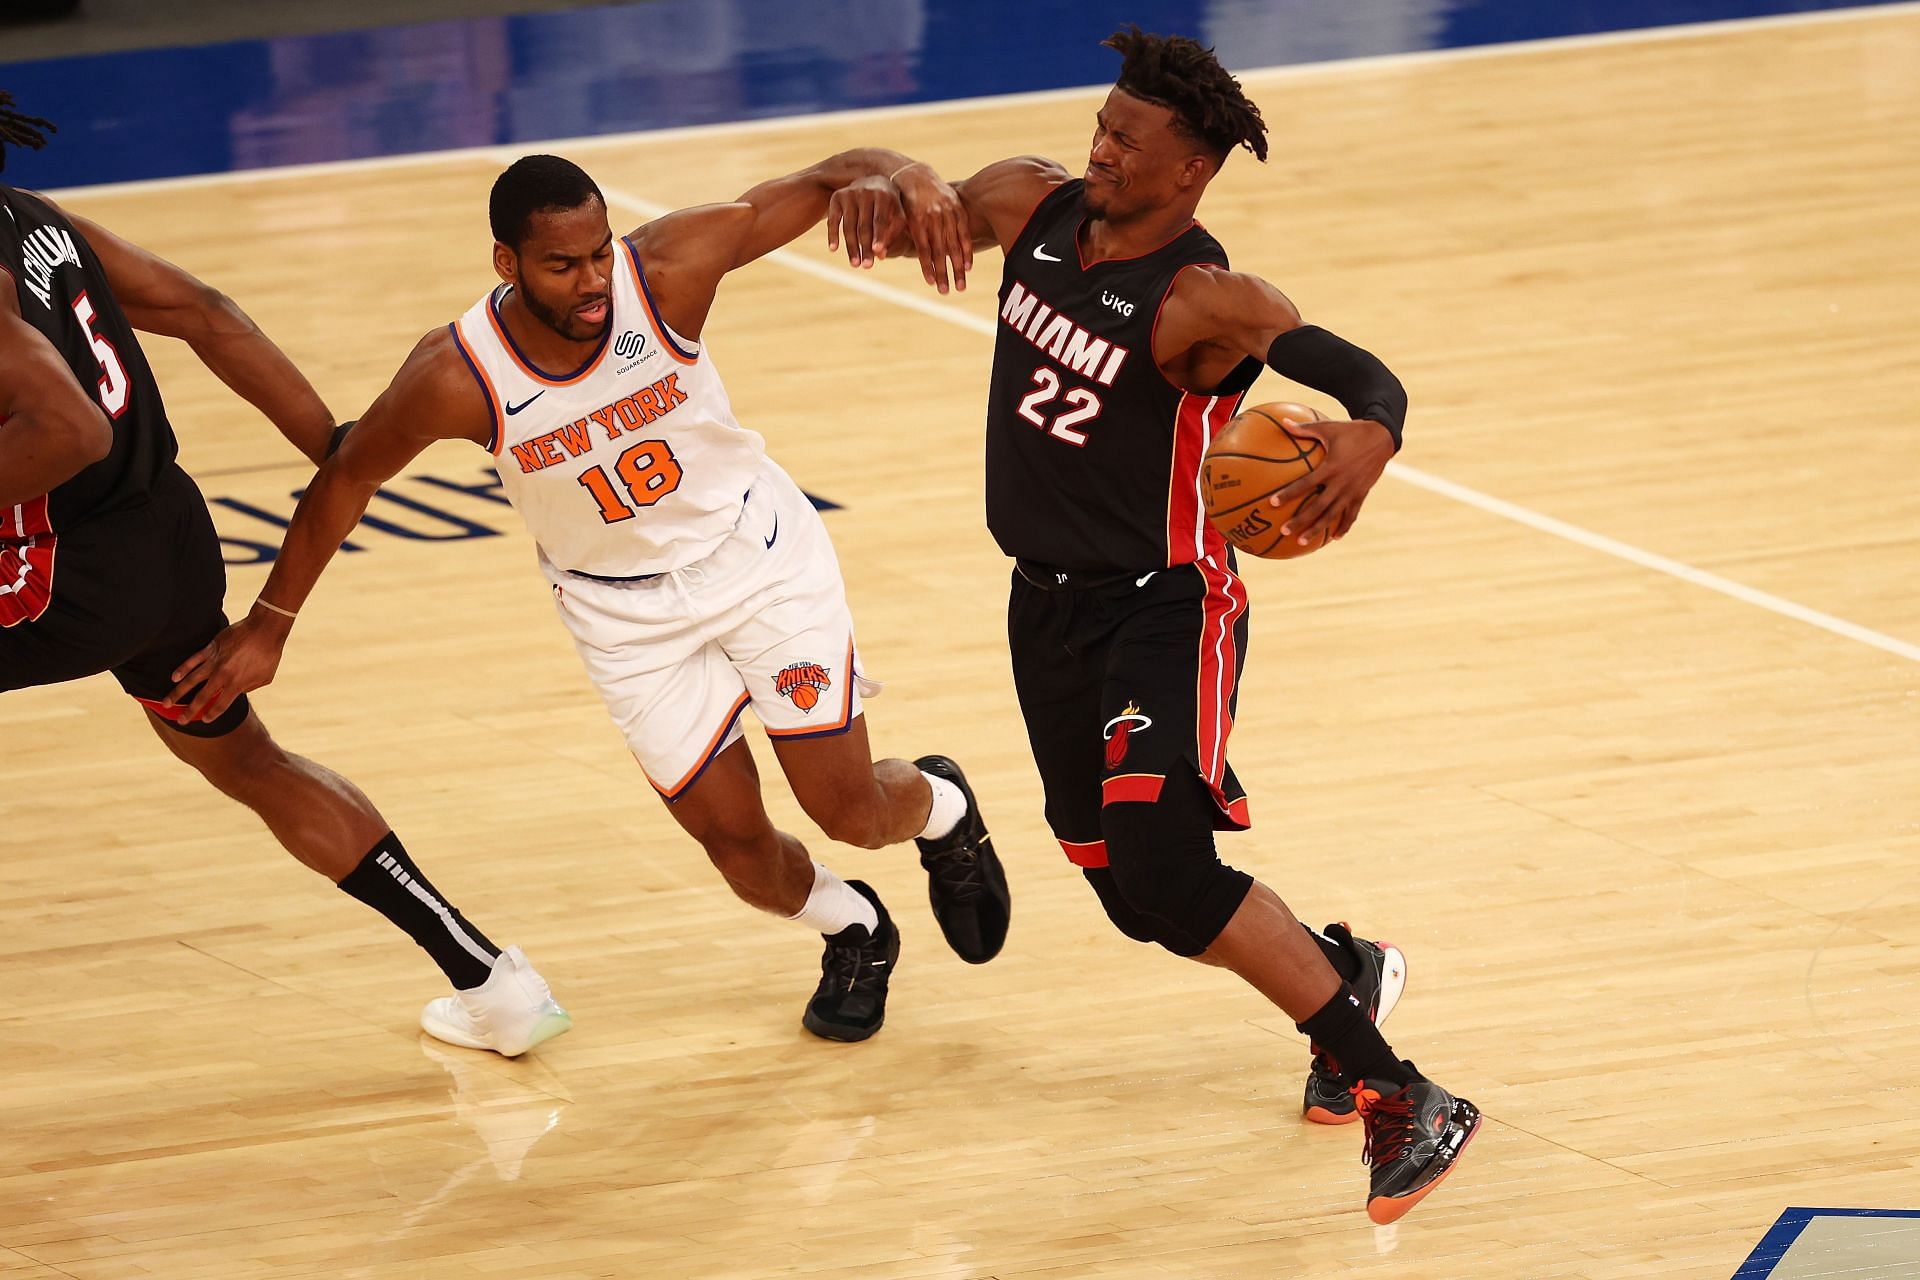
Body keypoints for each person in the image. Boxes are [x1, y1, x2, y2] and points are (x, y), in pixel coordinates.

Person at [166, 150, 1012, 1043]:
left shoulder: (672, 269)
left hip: (757, 562)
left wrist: (907, 171)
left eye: (599, 254)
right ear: (508, 264)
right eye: (563, 266)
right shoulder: (458, 374)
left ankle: (944, 808)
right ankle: (856, 928)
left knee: (846, 811)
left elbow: (817, 182)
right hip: (624, 615)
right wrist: (270, 624)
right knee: (736, 848)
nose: (593, 281)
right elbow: (344, 479)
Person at [858, 29, 1479, 1223]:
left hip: (1165, 607)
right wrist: (895, 174)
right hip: (1042, 606)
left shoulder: (1203, 297)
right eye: (1100, 123)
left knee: (1168, 867)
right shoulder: (1034, 205)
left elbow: (1342, 358)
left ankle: (1401, 1092)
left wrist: (1377, 429)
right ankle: (1344, 971)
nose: (1100, 148)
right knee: (1132, 896)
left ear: (1189, 171)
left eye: (1128, 141)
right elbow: (902, 202)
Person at [0, 91, 568, 1058]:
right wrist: (336, 455)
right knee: (247, 760)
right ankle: (491, 980)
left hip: (63, 572)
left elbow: (69, 428)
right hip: (170, 538)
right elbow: (205, 313)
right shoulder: (38, 221)